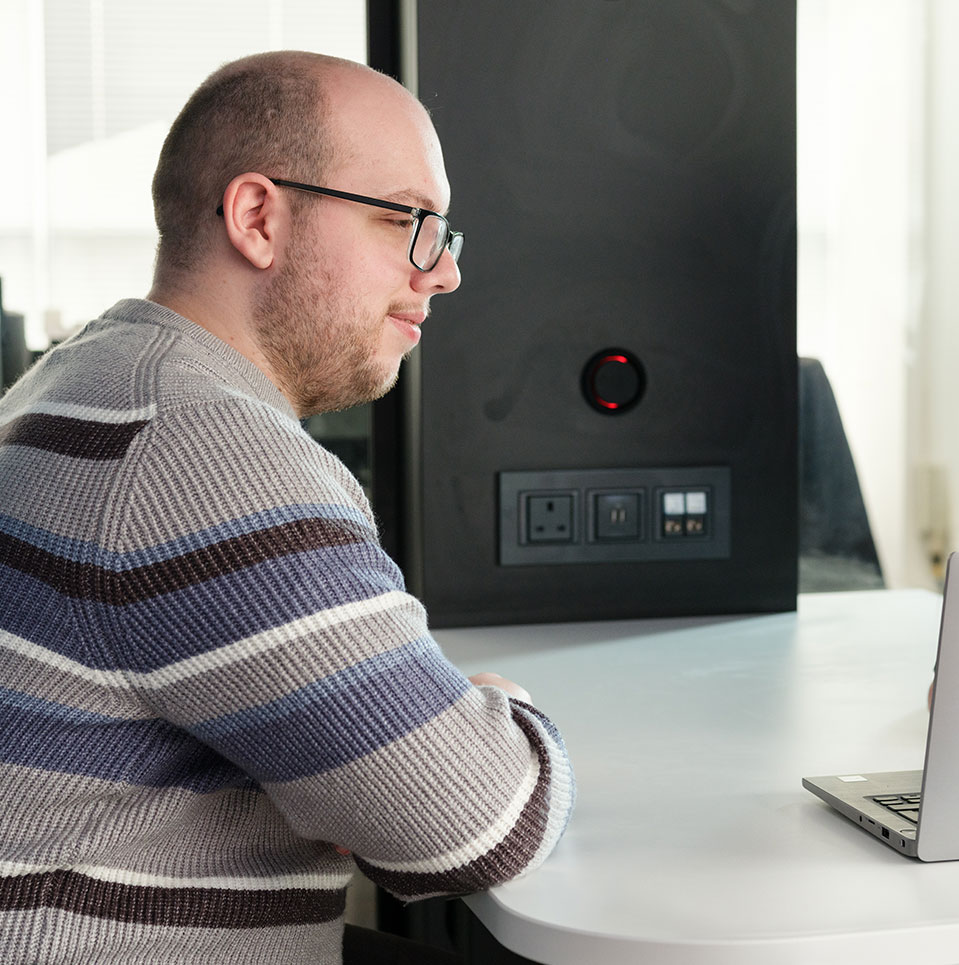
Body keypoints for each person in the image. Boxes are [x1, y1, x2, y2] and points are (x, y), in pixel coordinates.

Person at [0, 51, 573, 963]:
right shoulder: (203, 449)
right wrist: (500, 709)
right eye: (407, 221)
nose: (442, 273)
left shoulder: (84, 378)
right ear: (259, 217)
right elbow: (478, 822)